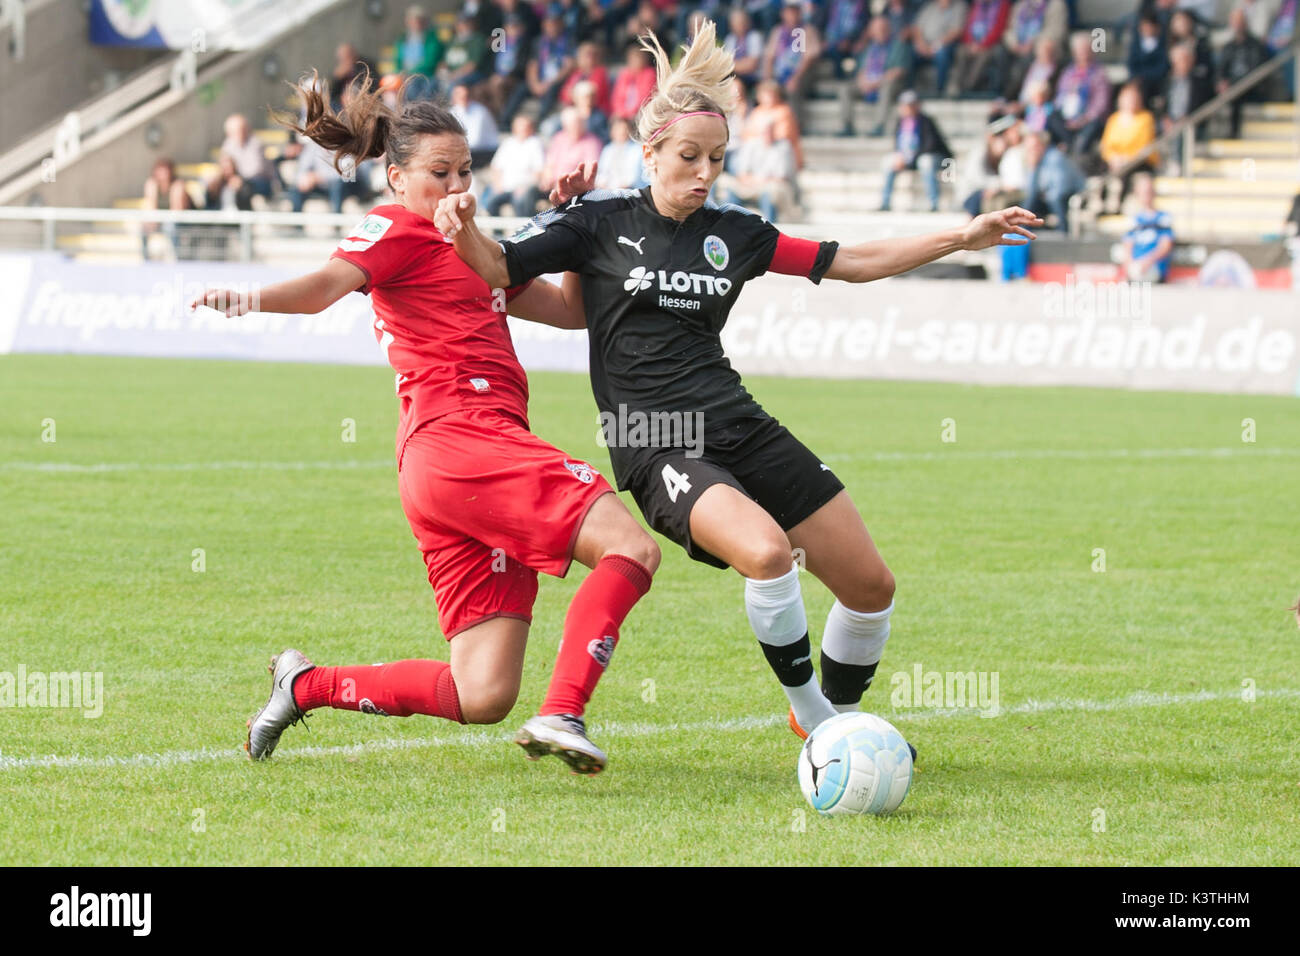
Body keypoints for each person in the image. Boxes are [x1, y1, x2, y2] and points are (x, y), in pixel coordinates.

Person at [434, 19, 1040, 746]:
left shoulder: (737, 234)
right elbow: (501, 268)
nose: (704, 172)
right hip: (653, 439)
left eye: (716, 158)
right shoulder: (596, 222)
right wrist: (461, 226)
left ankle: (832, 720)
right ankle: (821, 726)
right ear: (650, 150)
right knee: (765, 553)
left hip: (738, 421)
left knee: (872, 588)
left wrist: (958, 236)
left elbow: (850, 259)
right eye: (689, 156)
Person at [192, 76, 659, 775]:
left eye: (464, 171)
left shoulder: (475, 246)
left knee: (482, 691)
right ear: (397, 176)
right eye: (438, 173)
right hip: (462, 439)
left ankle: (304, 683)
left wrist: (575, 220)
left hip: (454, 470)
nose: (454, 185)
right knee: (631, 548)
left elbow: (572, 312)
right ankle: (563, 710)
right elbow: (324, 288)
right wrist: (248, 297)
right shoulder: (396, 228)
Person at [879, 90, 953, 212]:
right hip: (908, 158)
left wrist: (909, 158)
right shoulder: (900, 122)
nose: (907, 108)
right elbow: (898, 144)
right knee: (888, 162)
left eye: (911, 105)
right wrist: (900, 156)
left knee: (925, 162)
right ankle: (885, 202)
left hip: (930, 157)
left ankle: (933, 203)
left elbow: (930, 146)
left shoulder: (926, 121)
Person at [840, 14, 913, 137]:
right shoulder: (869, 48)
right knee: (845, 88)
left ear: (888, 29)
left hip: (889, 84)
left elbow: (899, 70)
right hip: (868, 84)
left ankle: (879, 126)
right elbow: (861, 70)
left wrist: (875, 83)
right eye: (877, 29)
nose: (880, 32)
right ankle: (847, 126)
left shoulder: (898, 45)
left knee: (887, 86)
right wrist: (863, 82)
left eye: (883, 28)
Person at [1047, 30, 1111, 160]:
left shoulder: (1099, 73)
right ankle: (1070, 146)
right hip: (1067, 117)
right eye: (1080, 50)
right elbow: (1060, 97)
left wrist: (1083, 119)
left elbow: (1101, 104)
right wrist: (1067, 118)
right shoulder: (1068, 72)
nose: (1083, 53)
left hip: (1088, 118)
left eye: (1086, 49)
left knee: (1094, 123)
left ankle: (1075, 151)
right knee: (1052, 117)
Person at [1099, 80, 1158, 202]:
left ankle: (1119, 203)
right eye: (1127, 98)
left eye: (1133, 98)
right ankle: (1102, 201)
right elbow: (1106, 145)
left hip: (1139, 160)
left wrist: (1125, 158)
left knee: (1126, 171)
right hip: (1115, 160)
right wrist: (1113, 158)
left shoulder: (1146, 118)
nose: (1130, 102)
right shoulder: (1114, 119)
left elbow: (1143, 144)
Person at [482, 114, 546, 216]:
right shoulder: (508, 143)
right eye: (520, 126)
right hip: (504, 187)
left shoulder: (535, 143)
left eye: (525, 126)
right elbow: (496, 167)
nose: (523, 129)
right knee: (490, 202)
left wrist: (525, 187)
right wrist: (497, 185)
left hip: (524, 187)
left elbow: (539, 171)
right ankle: (498, 232)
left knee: (520, 201)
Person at [1022, 128, 1085, 230]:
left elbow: (1061, 186)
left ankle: (1063, 231)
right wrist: (1032, 168)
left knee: (1055, 198)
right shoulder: (1035, 160)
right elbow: (1031, 191)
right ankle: (1023, 230)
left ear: (1042, 145)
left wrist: (1044, 192)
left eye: (1033, 147)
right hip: (1050, 193)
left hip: (1072, 191)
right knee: (1030, 200)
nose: (1030, 151)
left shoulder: (1054, 157)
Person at [1119, 173, 1174, 281]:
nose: (1146, 196)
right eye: (1143, 192)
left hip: (1154, 269)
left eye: (1148, 192)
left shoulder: (1163, 218)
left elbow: (1165, 246)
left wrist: (1147, 262)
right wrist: (1129, 267)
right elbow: (1127, 247)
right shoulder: (1133, 220)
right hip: (1136, 269)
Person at [951, 0, 1011, 95]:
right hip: (972, 43)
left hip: (990, 44)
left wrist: (982, 44)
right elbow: (968, 26)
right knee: (961, 51)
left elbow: (999, 28)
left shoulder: (1002, 4)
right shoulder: (976, 4)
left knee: (983, 56)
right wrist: (971, 43)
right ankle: (956, 86)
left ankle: (968, 87)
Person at [911, 0, 969, 94]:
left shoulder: (959, 6)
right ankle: (909, 90)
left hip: (945, 45)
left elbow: (957, 31)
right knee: (909, 54)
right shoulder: (929, 6)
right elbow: (917, 28)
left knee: (942, 54)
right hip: (925, 46)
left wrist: (935, 46)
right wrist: (921, 44)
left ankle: (939, 90)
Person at [140, 158, 193, 260]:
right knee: (144, 227)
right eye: (160, 170)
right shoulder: (152, 184)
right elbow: (151, 207)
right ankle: (146, 258)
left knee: (170, 227)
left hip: (181, 221)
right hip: (162, 220)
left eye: (165, 170)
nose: (162, 174)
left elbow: (177, 210)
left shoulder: (178, 185)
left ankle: (177, 258)